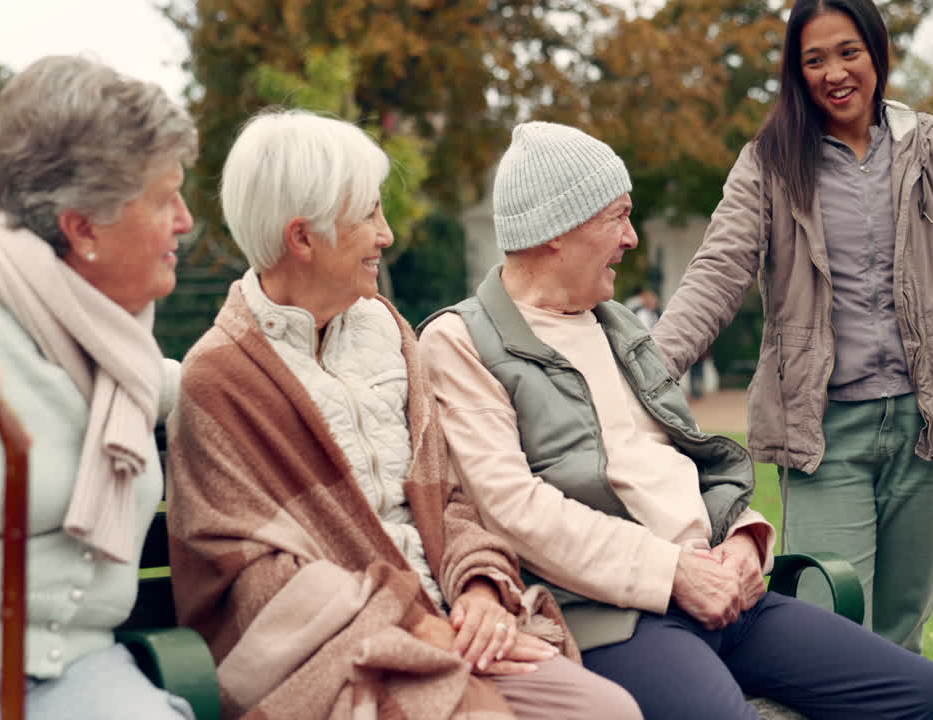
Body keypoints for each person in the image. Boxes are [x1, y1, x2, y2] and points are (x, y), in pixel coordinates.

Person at [419, 120, 933, 720]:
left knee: (927, 695)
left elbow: (689, 454)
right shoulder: (461, 340)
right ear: (557, 230)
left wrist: (743, 539)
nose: (630, 238)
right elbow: (512, 507)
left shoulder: (615, 323)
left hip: (720, 588)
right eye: (617, 217)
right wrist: (671, 572)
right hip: (616, 616)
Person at [165, 110, 640, 720]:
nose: (386, 235)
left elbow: (448, 501)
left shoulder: (387, 331)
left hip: (451, 624)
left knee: (610, 712)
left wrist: (480, 590)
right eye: (368, 215)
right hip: (337, 658)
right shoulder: (221, 379)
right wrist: (415, 626)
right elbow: (257, 583)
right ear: (302, 238)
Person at [648, 0, 933, 650]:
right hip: (823, 436)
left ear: (876, 53)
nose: (835, 72)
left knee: (903, 630)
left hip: (928, 430)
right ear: (796, 72)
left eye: (848, 52)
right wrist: (644, 373)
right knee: (831, 629)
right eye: (815, 59)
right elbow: (717, 275)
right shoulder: (770, 162)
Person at [0, 56, 197, 718]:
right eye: (166, 198)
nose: (186, 220)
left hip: (81, 669)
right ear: (84, 228)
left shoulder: (118, 348)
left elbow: (199, 385)